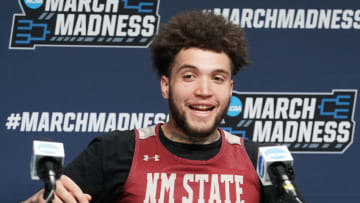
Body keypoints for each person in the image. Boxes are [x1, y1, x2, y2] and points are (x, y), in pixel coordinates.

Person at [24, 11, 304, 203]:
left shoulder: (261, 161)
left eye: (217, 78)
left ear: (230, 89)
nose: (204, 91)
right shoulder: (116, 151)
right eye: (189, 76)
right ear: (166, 85)